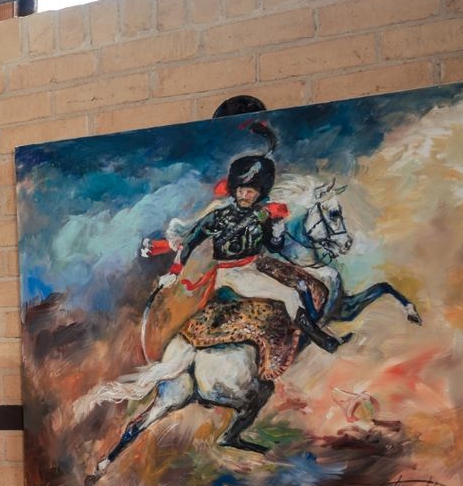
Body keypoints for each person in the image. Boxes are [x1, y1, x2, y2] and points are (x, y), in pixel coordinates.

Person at [141, 145, 347, 353]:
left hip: (255, 265)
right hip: (232, 273)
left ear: (259, 193)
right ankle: (321, 339)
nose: (245, 194)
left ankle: (313, 324)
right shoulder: (217, 217)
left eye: (251, 191)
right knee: (290, 296)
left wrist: (276, 230)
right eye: (241, 189)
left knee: (302, 285)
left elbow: (274, 246)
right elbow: (190, 243)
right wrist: (174, 272)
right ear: (234, 189)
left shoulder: (263, 216)